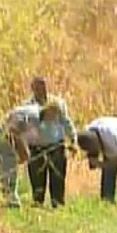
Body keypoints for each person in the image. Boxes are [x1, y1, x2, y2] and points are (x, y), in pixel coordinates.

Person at [24, 76, 77, 207]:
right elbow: (25, 126)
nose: (41, 90)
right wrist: (42, 115)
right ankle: (38, 203)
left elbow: (66, 122)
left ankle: (57, 203)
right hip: (36, 147)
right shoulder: (27, 106)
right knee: (37, 178)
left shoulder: (58, 103)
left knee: (58, 176)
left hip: (56, 145)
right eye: (37, 87)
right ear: (33, 89)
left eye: (43, 86)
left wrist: (73, 139)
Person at [0, 104, 40, 207]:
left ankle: (9, 197)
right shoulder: (34, 116)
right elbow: (13, 128)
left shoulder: (32, 112)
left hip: (0, 134)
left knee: (5, 168)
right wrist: (22, 151)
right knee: (8, 167)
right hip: (4, 136)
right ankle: (11, 199)